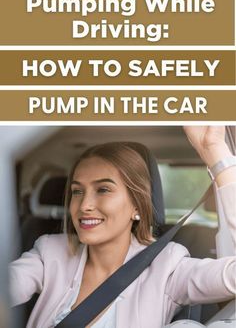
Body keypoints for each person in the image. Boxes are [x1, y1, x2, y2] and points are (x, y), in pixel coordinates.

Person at [10, 126, 236, 328]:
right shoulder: (49, 252)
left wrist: (214, 150)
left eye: (103, 190)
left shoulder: (168, 267)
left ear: (137, 206)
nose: (84, 205)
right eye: (77, 191)